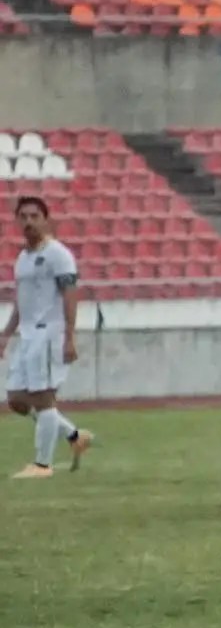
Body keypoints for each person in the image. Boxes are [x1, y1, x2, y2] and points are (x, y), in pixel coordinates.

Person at [4, 196, 93, 479]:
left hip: (48, 334)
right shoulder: (23, 258)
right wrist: (6, 333)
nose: (28, 222)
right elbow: (22, 301)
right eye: (23, 216)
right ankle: (75, 436)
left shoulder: (58, 255)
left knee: (43, 398)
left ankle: (42, 465)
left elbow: (70, 295)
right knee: (17, 398)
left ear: (45, 220)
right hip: (28, 335)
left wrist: (69, 336)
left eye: (34, 216)